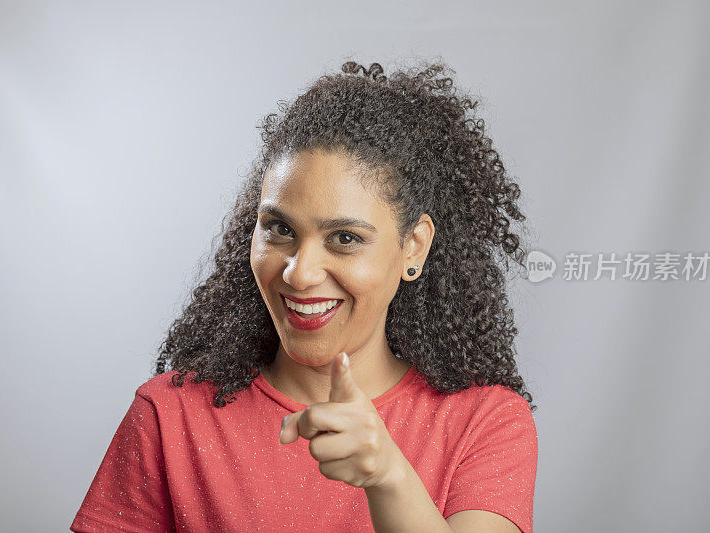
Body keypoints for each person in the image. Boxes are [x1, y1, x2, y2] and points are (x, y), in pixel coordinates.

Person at [71, 59, 538, 533]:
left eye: (345, 238)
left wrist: (389, 478)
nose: (299, 273)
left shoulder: (485, 422)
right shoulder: (170, 417)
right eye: (279, 229)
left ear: (412, 247)